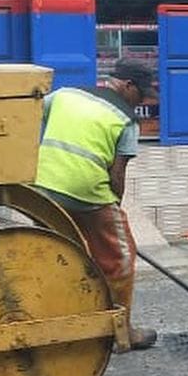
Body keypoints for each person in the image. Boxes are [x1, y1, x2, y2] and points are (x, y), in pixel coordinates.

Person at [33, 59, 158, 350]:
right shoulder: (126, 120)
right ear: (127, 85)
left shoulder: (65, 95)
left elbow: (32, 114)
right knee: (121, 258)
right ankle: (121, 333)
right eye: (140, 94)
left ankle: (60, 326)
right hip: (87, 192)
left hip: (42, 189)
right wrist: (114, 209)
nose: (140, 101)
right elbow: (117, 175)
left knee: (60, 256)